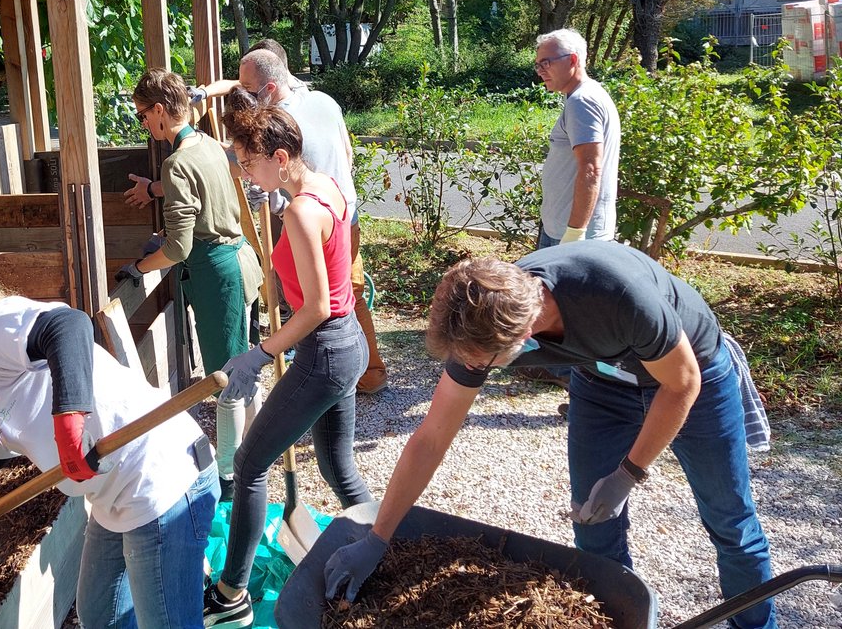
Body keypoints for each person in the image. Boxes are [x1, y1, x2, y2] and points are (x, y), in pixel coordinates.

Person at [321, 243, 777, 629]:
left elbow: (682, 384)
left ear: (523, 336)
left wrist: (629, 473)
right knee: (593, 526)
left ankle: (754, 623)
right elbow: (431, 436)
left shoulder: (615, 294)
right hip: (603, 381)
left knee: (729, 521)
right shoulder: (480, 322)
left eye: (486, 362)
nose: (476, 368)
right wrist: (378, 537)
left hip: (691, 372)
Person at [0, 259, 218, 629]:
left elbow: (68, 325)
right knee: (101, 614)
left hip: (161, 479)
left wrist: (69, 424)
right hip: (116, 498)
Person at [203, 104, 374, 629]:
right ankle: (380, 552)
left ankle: (231, 594)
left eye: (248, 163)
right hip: (350, 346)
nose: (243, 173)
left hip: (323, 350)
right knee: (337, 467)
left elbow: (317, 305)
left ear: (280, 158)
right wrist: (277, 204)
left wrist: (260, 352)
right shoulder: (323, 187)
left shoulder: (301, 211)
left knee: (251, 464)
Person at [185, 48, 389, 396]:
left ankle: (345, 372)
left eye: (248, 87)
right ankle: (366, 373)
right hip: (344, 210)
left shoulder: (275, 122)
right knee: (346, 295)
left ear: (269, 89)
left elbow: (238, 161)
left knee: (317, 301)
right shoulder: (323, 100)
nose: (241, 92)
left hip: (314, 218)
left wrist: (260, 355)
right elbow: (347, 152)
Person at [114, 69, 263, 501]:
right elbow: (194, 180)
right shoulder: (207, 144)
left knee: (226, 379)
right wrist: (156, 190)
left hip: (217, 275)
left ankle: (230, 478)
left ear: (161, 110)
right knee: (243, 367)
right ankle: (256, 454)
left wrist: (140, 268)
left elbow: (177, 248)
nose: (144, 124)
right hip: (239, 262)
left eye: (144, 115)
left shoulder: (175, 161)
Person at [535, 28, 620, 247]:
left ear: (573, 60)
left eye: (546, 63)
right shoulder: (589, 94)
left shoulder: (582, 102)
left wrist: (574, 233)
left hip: (571, 236)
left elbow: (591, 169)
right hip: (567, 230)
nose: (540, 71)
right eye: (538, 65)